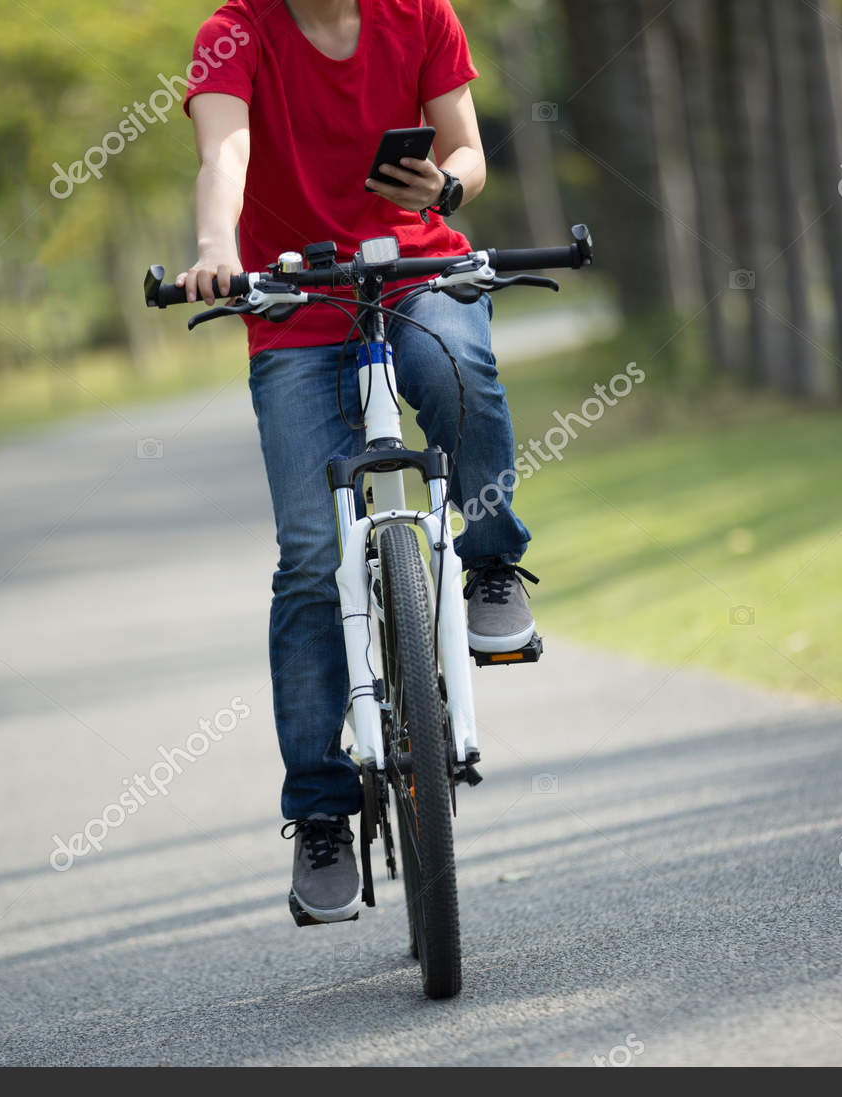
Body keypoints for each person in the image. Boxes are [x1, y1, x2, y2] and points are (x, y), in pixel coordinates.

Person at [177, 0, 537, 923]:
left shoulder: (421, 13)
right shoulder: (236, 30)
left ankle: (491, 561)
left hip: (419, 267)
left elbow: (466, 149)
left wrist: (445, 191)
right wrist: (218, 251)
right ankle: (324, 809)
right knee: (309, 558)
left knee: (455, 371)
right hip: (293, 298)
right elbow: (226, 153)